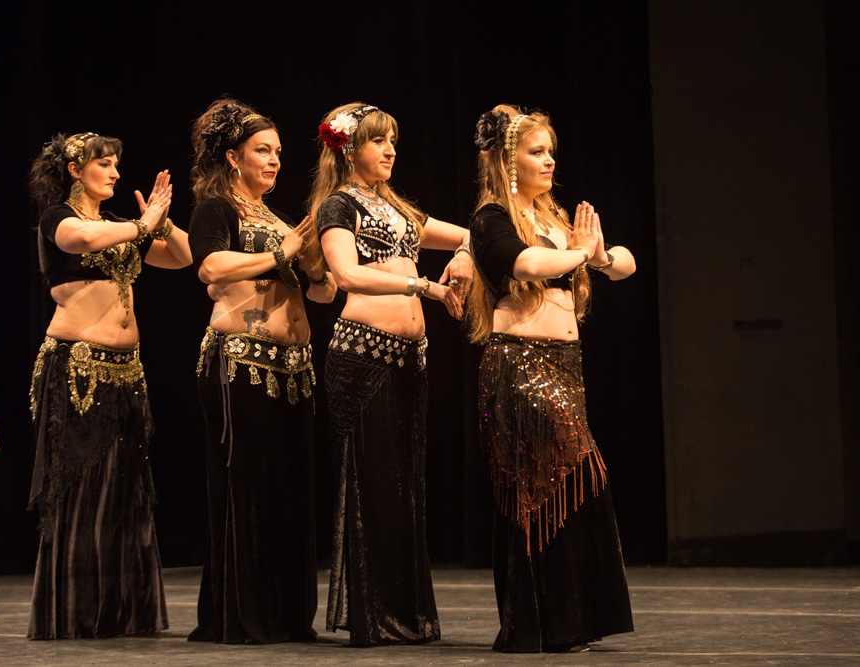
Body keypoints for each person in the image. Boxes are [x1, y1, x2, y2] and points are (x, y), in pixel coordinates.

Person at [466, 105, 636, 653]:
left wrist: (598, 254)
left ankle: (571, 621)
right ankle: (540, 622)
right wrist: (578, 252)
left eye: (551, 152)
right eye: (536, 151)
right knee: (542, 486)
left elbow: (625, 264)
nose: (549, 160)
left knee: (569, 483)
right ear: (508, 160)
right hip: (520, 366)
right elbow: (526, 266)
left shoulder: (555, 221)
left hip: (565, 367)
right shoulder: (491, 219)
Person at [306, 102, 473, 647]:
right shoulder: (338, 205)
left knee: (404, 488)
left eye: (393, 141)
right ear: (349, 148)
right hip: (362, 356)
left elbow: (472, 233)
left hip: (409, 358)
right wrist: (422, 286)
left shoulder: (397, 209)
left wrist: (465, 256)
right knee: (373, 485)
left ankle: (404, 611)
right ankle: (375, 615)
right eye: (378, 141)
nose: (390, 150)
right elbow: (347, 274)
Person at [27, 131, 191, 638]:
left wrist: (162, 223)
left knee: (123, 488)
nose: (116, 172)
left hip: (126, 370)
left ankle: (123, 612)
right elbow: (80, 240)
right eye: (105, 163)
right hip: (78, 367)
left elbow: (183, 257)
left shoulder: (120, 223)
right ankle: (76, 613)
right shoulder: (58, 217)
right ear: (75, 170)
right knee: (81, 487)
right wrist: (141, 225)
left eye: (117, 164)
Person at [187, 99, 336, 644]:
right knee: (248, 491)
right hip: (240, 365)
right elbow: (210, 266)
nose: (274, 160)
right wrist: (282, 255)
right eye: (262, 151)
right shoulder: (216, 208)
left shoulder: (277, 220)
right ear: (233, 156)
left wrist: (315, 268)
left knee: (288, 494)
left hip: (292, 371)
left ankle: (285, 615)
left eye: (277, 152)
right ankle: (242, 615)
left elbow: (323, 293)